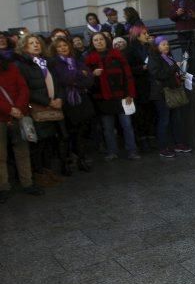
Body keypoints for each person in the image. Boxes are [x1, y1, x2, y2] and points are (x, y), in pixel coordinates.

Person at [15, 34, 66, 184]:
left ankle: (48, 171)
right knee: (39, 143)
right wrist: (48, 101)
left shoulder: (46, 63)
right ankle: (38, 174)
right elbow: (27, 90)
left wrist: (59, 98)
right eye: (31, 43)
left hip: (52, 106)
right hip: (36, 109)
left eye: (37, 42)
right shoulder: (22, 65)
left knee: (50, 141)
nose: (36, 45)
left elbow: (57, 83)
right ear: (24, 47)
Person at [84, 32, 140, 161]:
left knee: (127, 125)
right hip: (102, 98)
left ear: (106, 40)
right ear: (92, 43)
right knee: (108, 128)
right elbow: (86, 79)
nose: (99, 42)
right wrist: (92, 74)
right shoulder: (89, 59)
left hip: (121, 96)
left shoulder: (117, 55)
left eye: (101, 39)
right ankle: (112, 151)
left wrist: (129, 94)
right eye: (96, 40)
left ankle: (132, 151)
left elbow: (128, 76)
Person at [48, 37, 95, 173]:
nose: (63, 48)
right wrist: (80, 74)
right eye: (59, 46)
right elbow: (64, 78)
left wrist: (76, 79)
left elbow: (90, 80)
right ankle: (65, 163)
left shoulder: (76, 61)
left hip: (81, 102)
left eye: (65, 45)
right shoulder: (54, 63)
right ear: (55, 49)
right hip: (66, 103)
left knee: (81, 132)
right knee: (66, 135)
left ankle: (81, 159)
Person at [0, 53, 42, 202]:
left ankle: (27, 183)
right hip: (4, 116)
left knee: (22, 150)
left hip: (18, 115)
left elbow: (23, 88)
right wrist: (10, 109)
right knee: (1, 155)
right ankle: (3, 187)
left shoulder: (11, 67)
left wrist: (18, 107)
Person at [149, 36, 191, 158]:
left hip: (173, 91)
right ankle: (163, 147)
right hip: (161, 93)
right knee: (164, 120)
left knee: (176, 119)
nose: (166, 46)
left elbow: (171, 73)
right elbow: (159, 74)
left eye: (167, 44)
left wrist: (179, 75)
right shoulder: (154, 58)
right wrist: (174, 67)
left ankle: (178, 143)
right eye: (163, 44)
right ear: (157, 47)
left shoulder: (169, 57)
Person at [127, 26, 156, 149]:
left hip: (150, 83)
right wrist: (141, 68)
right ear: (137, 35)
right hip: (139, 85)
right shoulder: (131, 49)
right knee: (141, 114)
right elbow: (129, 69)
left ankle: (151, 137)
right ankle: (143, 139)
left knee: (150, 112)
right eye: (144, 33)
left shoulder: (148, 47)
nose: (147, 35)